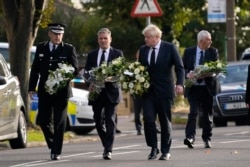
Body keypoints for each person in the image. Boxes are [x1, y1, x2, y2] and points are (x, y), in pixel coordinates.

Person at [28, 23, 79, 160]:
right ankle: (52, 144)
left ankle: (56, 150)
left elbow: (75, 70)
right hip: (45, 90)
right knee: (44, 120)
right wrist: (31, 88)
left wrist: (63, 77)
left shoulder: (69, 49)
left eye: (60, 34)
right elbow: (35, 69)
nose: (58, 36)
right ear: (49, 34)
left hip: (61, 91)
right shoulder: (41, 47)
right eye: (55, 33)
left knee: (59, 121)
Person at [138, 24, 184, 160]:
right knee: (148, 119)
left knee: (165, 121)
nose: (145, 40)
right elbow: (139, 69)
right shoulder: (143, 50)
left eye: (148, 37)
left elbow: (180, 67)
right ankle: (153, 147)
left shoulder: (169, 48)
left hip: (165, 91)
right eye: (145, 37)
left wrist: (180, 83)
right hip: (148, 92)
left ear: (157, 37)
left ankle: (165, 150)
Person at [84, 28, 123, 160]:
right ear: (98, 40)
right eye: (101, 38)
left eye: (105, 38)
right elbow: (86, 72)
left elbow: (120, 73)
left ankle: (108, 149)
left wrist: (110, 78)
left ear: (110, 39)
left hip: (112, 92)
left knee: (110, 120)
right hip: (96, 92)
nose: (103, 41)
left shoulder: (118, 53)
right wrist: (89, 83)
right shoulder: (92, 54)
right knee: (97, 120)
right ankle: (106, 142)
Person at [182, 30, 220, 149]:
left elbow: (217, 69)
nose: (211, 41)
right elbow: (182, 68)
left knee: (207, 114)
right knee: (193, 112)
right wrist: (188, 74)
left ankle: (207, 138)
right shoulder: (189, 52)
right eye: (208, 39)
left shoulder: (213, 51)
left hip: (207, 88)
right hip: (193, 88)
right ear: (201, 41)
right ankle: (190, 137)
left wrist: (209, 73)